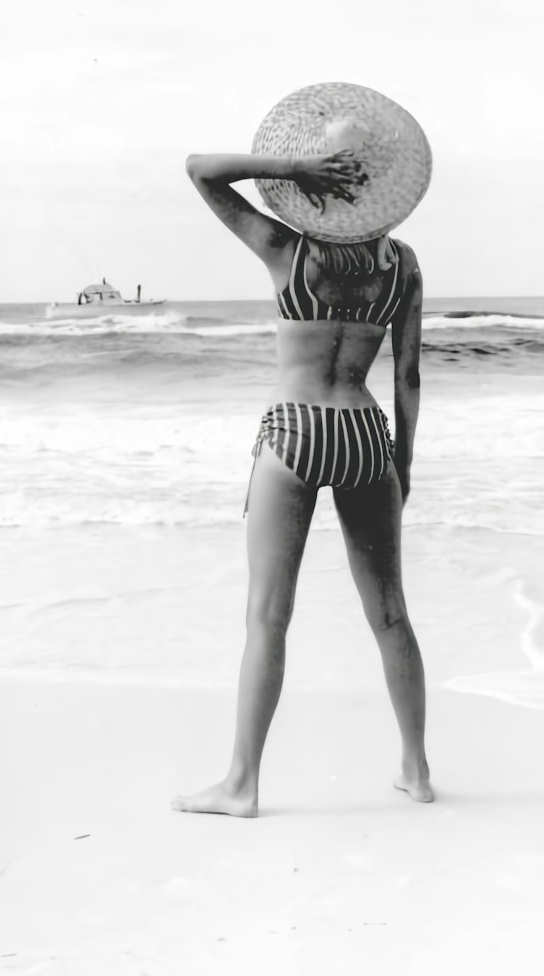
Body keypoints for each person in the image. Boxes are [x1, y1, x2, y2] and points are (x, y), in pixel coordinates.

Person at [171, 147, 432, 818]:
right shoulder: (400, 266)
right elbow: (406, 375)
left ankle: (241, 783)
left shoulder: (285, 248)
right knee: (392, 613)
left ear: (320, 186)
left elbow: (201, 168)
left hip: (294, 432)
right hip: (365, 435)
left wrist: (294, 167)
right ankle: (417, 767)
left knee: (267, 618)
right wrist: (400, 467)